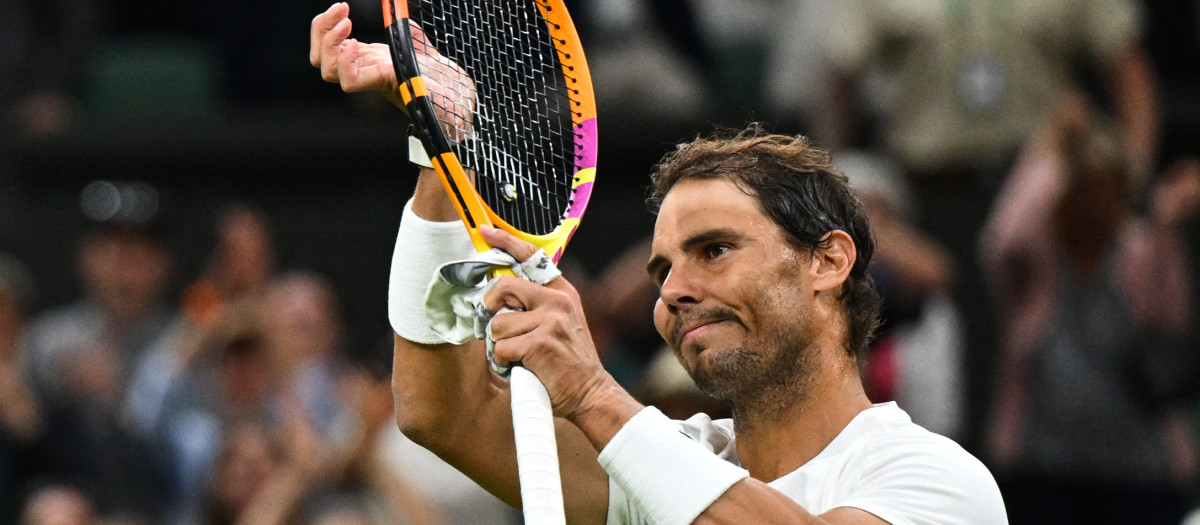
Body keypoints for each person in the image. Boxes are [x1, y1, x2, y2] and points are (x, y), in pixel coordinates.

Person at [309, 3, 1007, 523]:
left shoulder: (939, 480)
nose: (675, 289)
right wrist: (442, 152)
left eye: (714, 250)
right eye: (661, 270)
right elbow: (442, 411)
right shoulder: (665, 467)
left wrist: (592, 392)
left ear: (827, 261)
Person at [978, 92, 1199, 524]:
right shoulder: (1037, 262)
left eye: (1105, 188)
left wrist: (1162, 229)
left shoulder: (1139, 248)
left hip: (1139, 469)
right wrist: (1050, 146)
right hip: (1043, 466)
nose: (1093, 204)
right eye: (1083, 187)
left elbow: (1170, 320)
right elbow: (1001, 239)